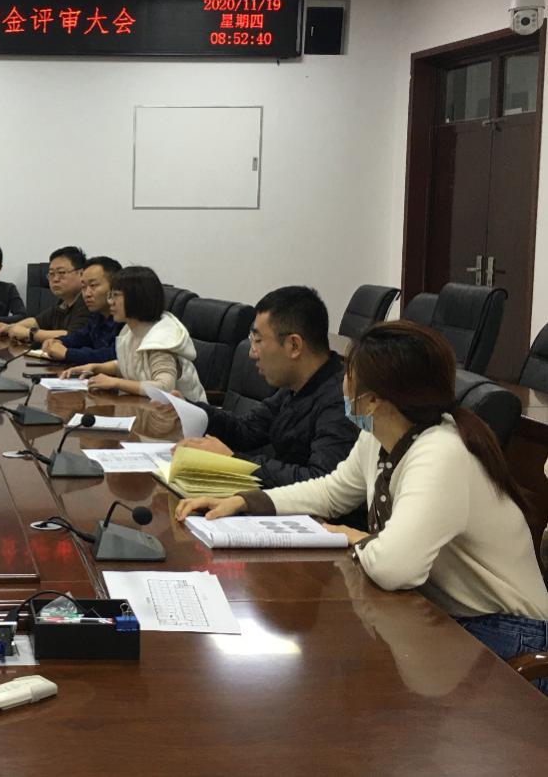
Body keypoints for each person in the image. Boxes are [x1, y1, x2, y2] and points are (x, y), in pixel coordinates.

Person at [176, 321, 548, 693]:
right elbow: (332, 491)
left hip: (508, 631)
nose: (341, 383)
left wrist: (357, 538)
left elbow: (394, 568)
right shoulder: (380, 436)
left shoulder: (441, 452)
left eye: (348, 375)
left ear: (373, 400)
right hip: (446, 616)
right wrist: (247, 500)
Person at [179, 286, 359, 490]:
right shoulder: (295, 385)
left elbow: (320, 482)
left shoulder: (342, 400)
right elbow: (245, 430)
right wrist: (186, 409)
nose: (252, 353)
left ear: (294, 345)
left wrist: (233, 462)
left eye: (258, 340)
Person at [60, 266, 206, 401]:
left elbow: (164, 387)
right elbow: (132, 364)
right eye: (110, 295)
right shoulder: (132, 329)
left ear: (137, 298)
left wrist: (115, 382)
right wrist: (95, 367)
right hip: (148, 409)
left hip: (182, 415)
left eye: (115, 295)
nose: (110, 302)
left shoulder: (161, 339)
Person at [0, 246, 89, 344]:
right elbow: (37, 322)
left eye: (61, 272)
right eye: (51, 274)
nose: (55, 279)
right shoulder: (63, 303)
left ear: (81, 274)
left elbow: (72, 336)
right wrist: (10, 328)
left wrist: (29, 333)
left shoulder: (88, 302)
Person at [39, 256, 123, 364]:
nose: (87, 294)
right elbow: (81, 337)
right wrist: (58, 341)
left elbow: (114, 355)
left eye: (93, 285)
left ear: (114, 287)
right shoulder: (97, 314)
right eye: (83, 287)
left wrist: (67, 353)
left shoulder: (126, 317)